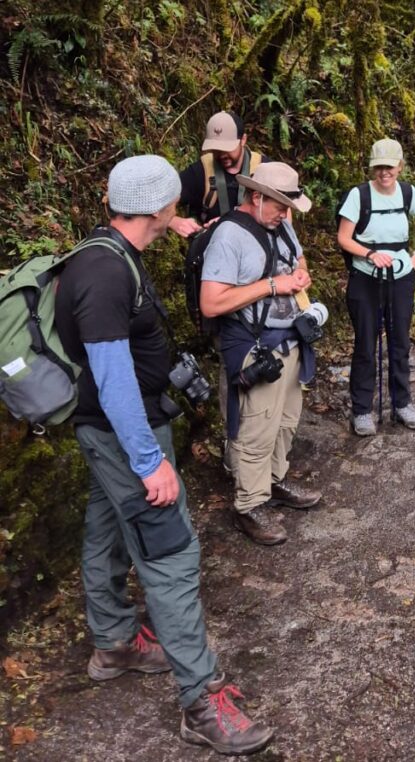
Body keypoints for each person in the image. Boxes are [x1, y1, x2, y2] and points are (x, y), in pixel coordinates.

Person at [54, 155, 274, 754]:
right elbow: (113, 377)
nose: (181, 205)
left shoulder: (108, 250)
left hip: (109, 432)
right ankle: (201, 701)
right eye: (174, 200)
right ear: (158, 207)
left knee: (106, 527)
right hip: (127, 435)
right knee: (171, 553)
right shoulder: (106, 275)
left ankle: (113, 642)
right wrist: (150, 462)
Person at [199, 162, 323, 546]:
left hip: (290, 340)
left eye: (289, 207)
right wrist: (272, 285)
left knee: (285, 421)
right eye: (280, 206)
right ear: (256, 197)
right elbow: (211, 302)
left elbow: (297, 260)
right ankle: (249, 505)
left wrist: (300, 276)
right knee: (256, 426)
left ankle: (274, 480)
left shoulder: (280, 224)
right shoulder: (229, 237)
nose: (286, 214)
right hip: (254, 345)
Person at [336, 138, 415, 436]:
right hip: (365, 278)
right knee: (366, 343)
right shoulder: (358, 195)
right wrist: (369, 254)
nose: (384, 172)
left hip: (401, 277)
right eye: (379, 167)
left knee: (400, 341)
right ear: (372, 168)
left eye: (390, 167)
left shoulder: (407, 193)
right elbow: (343, 238)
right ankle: (362, 410)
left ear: (400, 167)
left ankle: (402, 403)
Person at [169, 111, 262, 238]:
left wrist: (228, 222)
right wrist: (173, 221)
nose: (222, 154)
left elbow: (282, 211)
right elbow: (160, 200)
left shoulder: (263, 168)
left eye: (227, 148)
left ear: (243, 140)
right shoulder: (201, 170)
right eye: (216, 149)